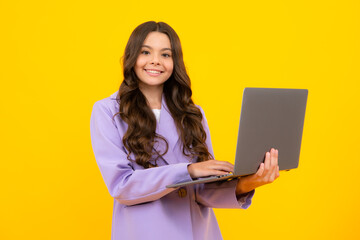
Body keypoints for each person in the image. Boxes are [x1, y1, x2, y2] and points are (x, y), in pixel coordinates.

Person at [90, 21, 280, 240]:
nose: (155, 61)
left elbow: (202, 191)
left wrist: (251, 182)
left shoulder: (191, 112)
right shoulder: (107, 111)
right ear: (132, 57)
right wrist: (188, 170)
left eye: (166, 55)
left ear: (175, 62)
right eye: (145, 52)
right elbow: (122, 187)